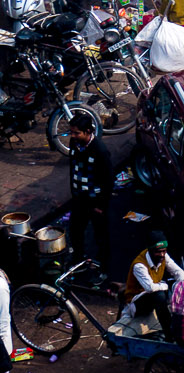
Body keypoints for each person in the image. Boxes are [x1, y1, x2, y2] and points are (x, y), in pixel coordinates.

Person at [66, 111, 115, 273]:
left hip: (95, 202)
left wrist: (101, 204)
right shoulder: (74, 143)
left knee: (101, 236)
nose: (72, 136)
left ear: (88, 132)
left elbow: (108, 180)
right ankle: (79, 259)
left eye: (76, 133)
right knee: (75, 231)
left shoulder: (100, 150)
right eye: (71, 132)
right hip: (79, 199)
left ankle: (104, 267)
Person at [121, 231, 184, 332]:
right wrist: (165, 286)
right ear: (150, 250)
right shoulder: (139, 265)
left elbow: (178, 272)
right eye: (158, 252)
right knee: (159, 295)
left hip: (152, 296)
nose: (161, 255)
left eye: (164, 251)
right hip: (136, 303)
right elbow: (150, 288)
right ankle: (168, 332)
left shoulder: (164, 256)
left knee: (179, 289)